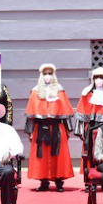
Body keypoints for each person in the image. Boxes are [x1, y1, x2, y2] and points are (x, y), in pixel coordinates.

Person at [25, 64, 74, 192]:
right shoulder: (35, 91)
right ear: (42, 75)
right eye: (45, 73)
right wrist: (30, 132)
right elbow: (30, 115)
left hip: (57, 127)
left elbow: (66, 112)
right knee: (41, 155)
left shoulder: (60, 90)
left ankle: (59, 181)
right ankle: (44, 182)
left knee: (58, 154)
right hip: (40, 127)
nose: (47, 76)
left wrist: (68, 130)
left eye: (50, 73)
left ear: (53, 75)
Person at [73, 67, 103, 138]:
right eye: (96, 77)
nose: (98, 80)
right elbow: (81, 114)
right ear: (93, 79)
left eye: (101, 77)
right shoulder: (86, 94)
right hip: (91, 127)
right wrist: (81, 132)